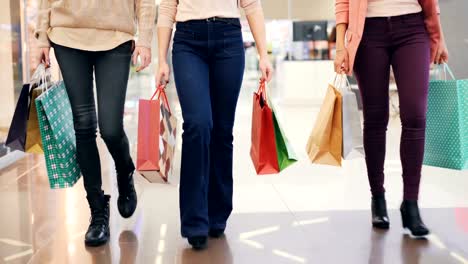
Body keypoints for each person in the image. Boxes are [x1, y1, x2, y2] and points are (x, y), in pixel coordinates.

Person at [35, 0, 156, 247]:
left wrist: (144, 39)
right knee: (83, 126)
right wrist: (41, 37)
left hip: (115, 35)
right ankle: (98, 212)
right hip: (67, 34)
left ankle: (125, 170)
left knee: (110, 128)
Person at [156, 0, 273, 250]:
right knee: (198, 123)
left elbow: (252, 5)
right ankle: (195, 220)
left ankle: (217, 212)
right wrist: (161, 60)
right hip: (188, 41)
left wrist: (264, 54)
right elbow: (167, 8)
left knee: (222, 130)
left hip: (228, 40)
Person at [334, 0, 448, 237]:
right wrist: (340, 46)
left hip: (413, 27)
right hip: (367, 31)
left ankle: (411, 203)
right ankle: (378, 198)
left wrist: (439, 36)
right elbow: (343, 3)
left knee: (415, 115)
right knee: (375, 118)